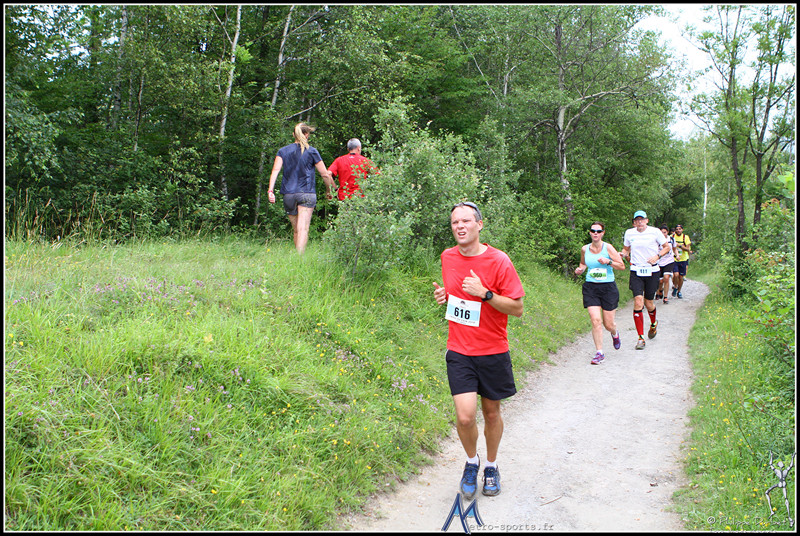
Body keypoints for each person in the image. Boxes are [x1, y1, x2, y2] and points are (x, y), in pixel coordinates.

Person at [432, 202, 525, 499]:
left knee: (492, 413)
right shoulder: (447, 256)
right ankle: (472, 462)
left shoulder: (499, 260)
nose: (460, 226)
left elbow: (517, 308)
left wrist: (485, 293)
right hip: (459, 349)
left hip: (492, 349)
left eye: (466, 221)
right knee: (464, 417)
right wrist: (444, 296)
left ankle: (492, 467)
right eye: (455, 222)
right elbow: (457, 298)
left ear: (479, 225)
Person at [267, 123, 335, 254]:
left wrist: (271, 190)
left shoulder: (283, 151)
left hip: (288, 194)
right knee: (303, 229)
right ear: (307, 134)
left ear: (293, 135)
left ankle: (297, 258)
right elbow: (325, 174)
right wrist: (328, 190)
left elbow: (275, 171)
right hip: (307, 193)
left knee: (296, 230)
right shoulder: (312, 151)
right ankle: (299, 258)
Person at [574, 221, 625, 364]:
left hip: (608, 288)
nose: (595, 233)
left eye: (598, 231)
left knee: (608, 324)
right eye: (593, 231)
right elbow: (583, 263)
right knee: (596, 321)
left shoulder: (608, 248)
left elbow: (621, 266)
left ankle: (614, 333)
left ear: (603, 233)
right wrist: (580, 270)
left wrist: (608, 262)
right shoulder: (585, 249)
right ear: (590, 233)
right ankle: (599, 352)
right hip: (591, 287)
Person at [620, 210, 671, 350]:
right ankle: (640, 338)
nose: (640, 222)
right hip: (636, 270)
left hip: (652, 270)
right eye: (637, 220)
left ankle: (653, 323)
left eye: (642, 219)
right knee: (638, 301)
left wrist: (657, 256)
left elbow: (667, 247)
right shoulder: (629, 233)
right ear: (634, 222)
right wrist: (622, 254)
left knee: (649, 303)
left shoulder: (655, 232)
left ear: (647, 220)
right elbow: (626, 249)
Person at [656, 225, 678, 304]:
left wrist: (677, 255)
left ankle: (665, 297)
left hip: (669, 261)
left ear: (667, 232)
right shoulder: (656, 240)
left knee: (666, 278)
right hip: (659, 261)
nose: (663, 234)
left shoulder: (671, 240)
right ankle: (660, 290)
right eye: (661, 233)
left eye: (664, 232)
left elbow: (675, 249)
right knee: (660, 281)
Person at [671, 224, 692, 298]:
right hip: (674, 259)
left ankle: (679, 291)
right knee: (675, 275)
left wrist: (679, 245)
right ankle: (675, 286)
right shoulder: (672, 237)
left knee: (681, 277)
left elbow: (687, 249)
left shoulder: (685, 237)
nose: (678, 230)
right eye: (677, 229)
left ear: (682, 230)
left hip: (683, 259)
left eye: (680, 229)